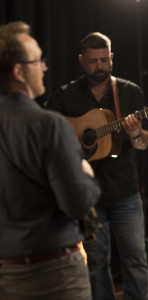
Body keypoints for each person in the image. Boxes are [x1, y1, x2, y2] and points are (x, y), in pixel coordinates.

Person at [46, 32, 148, 300]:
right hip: (88, 194)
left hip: (125, 191)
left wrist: (136, 133)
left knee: (136, 259)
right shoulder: (65, 96)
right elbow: (47, 132)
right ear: (81, 60)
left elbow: (143, 143)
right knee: (95, 262)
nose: (100, 67)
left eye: (104, 60)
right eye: (93, 61)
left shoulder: (129, 92)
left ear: (112, 58)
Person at [0, 21, 101, 300]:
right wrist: (87, 174)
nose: (44, 67)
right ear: (19, 72)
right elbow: (77, 202)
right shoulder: (49, 125)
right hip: (53, 275)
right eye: (38, 60)